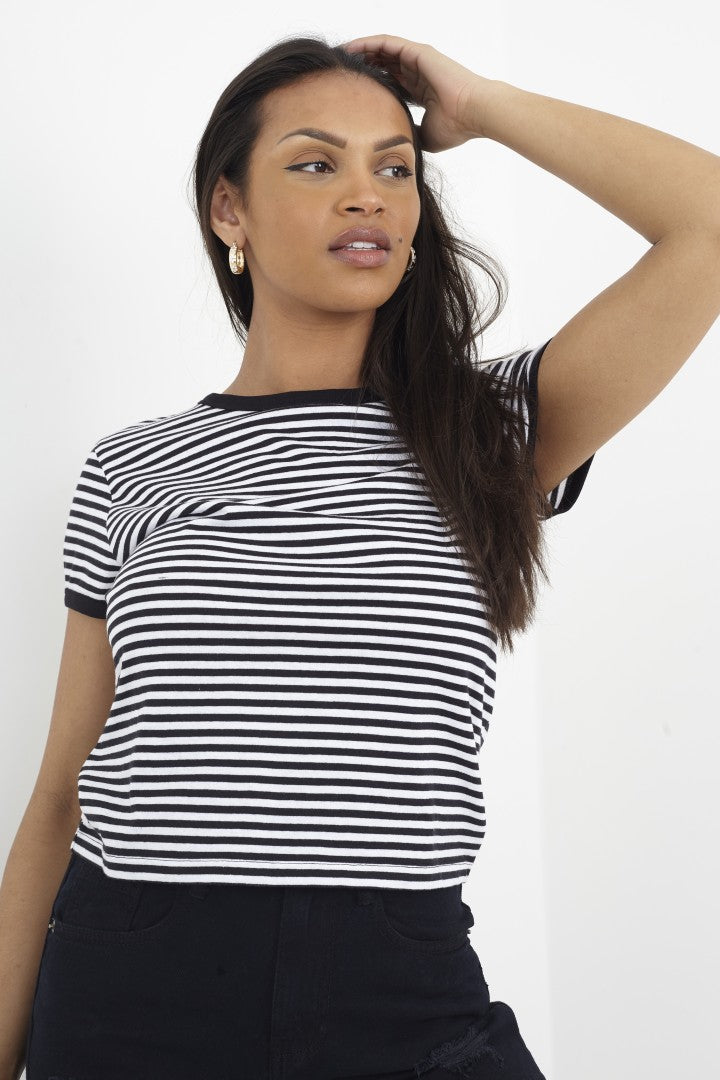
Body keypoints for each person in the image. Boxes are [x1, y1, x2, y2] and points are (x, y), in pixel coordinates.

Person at [3, 29, 720, 1080]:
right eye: (314, 164)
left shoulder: (490, 430)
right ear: (228, 209)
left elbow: (708, 221)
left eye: (394, 169)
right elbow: (61, 795)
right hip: (133, 990)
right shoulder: (130, 469)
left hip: (403, 993)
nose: (366, 196)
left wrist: (481, 105)